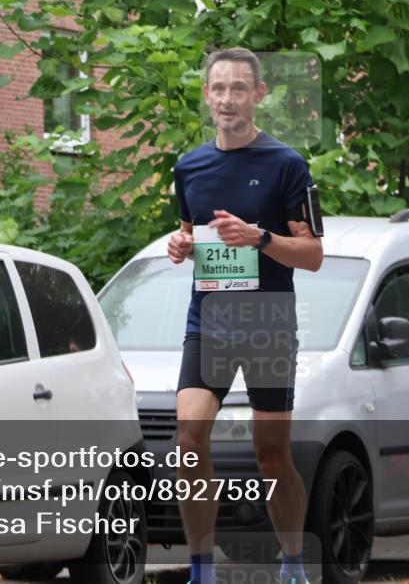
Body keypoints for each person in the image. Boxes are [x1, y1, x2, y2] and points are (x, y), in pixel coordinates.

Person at [167, 47, 323, 584]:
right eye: (218, 88)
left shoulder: (287, 165)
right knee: (188, 441)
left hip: (268, 324)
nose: (228, 98)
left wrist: (259, 237)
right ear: (207, 95)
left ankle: (294, 563)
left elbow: (314, 254)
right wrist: (182, 246)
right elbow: (192, 235)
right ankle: (201, 570)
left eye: (239, 88)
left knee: (272, 455)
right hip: (208, 322)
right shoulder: (189, 167)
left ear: (258, 95)